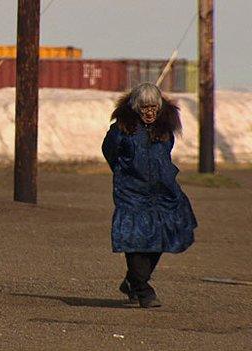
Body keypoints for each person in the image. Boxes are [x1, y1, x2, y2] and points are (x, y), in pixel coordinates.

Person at [101, 82, 197, 308]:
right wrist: (125, 171)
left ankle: (133, 281)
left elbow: (166, 152)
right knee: (135, 240)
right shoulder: (121, 130)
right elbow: (110, 152)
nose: (149, 112)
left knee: (161, 237)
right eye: (144, 107)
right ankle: (143, 290)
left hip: (163, 192)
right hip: (132, 193)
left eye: (153, 107)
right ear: (136, 107)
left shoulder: (165, 128)